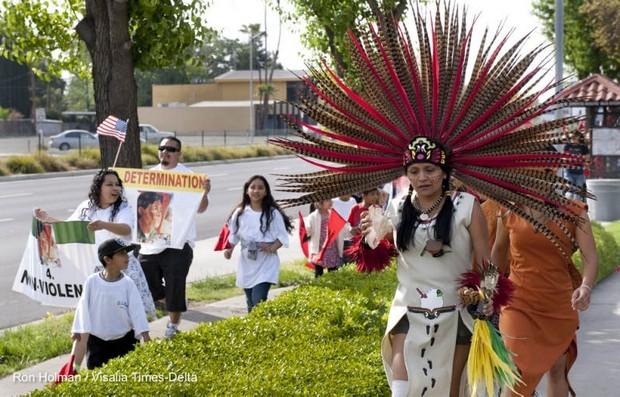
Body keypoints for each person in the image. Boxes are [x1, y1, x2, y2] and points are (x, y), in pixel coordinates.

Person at [360, 139, 493, 396]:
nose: (422, 177)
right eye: (414, 171)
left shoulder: (466, 205)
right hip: (408, 310)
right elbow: (377, 250)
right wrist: (369, 236)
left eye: (430, 170)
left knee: (449, 390)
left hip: (455, 313)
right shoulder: (398, 207)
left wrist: (487, 296)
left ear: (444, 172)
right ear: (406, 174)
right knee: (404, 386)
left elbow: (487, 263)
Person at [34, 169, 156, 367]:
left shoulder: (123, 207)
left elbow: (126, 229)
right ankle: (74, 369)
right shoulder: (86, 207)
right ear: (98, 187)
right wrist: (48, 219)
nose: (115, 188)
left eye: (117, 184)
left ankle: (134, 361)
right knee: (88, 318)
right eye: (109, 184)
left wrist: (103, 225)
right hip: (97, 271)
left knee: (128, 317)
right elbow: (71, 227)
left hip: (122, 267)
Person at [492, 201, 598, 396]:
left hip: (558, 304)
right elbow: (498, 252)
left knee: (557, 369)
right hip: (518, 302)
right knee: (516, 369)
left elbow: (589, 256)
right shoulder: (508, 209)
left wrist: (585, 286)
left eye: (548, 170)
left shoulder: (574, 212)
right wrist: (487, 289)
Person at [138, 136, 211, 338]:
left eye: (171, 149)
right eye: (162, 148)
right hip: (152, 243)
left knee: (175, 285)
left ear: (179, 153)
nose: (165, 152)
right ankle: (168, 298)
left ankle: (173, 326)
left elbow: (202, 208)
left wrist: (204, 193)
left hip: (179, 243)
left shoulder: (189, 177)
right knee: (146, 280)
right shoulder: (148, 175)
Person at [72, 238, 150, 370]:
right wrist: (77, 330)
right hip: (97, 343)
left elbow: (138, 312)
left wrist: (146, 337)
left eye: (126, 253)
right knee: (99, 381)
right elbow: (83, 310)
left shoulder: (128, 283)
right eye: (121, 254)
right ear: (107, 260)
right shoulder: (92, 282)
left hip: (125, 341)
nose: (127, 257)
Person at [223, 175, 292, 312]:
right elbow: (233, 235)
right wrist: (229, 250)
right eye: (253, 187)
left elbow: (283, 237)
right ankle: (255, 331)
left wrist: (272, 247)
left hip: (266, 263)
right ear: (247, 191)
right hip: (247, 263)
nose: (256, 191)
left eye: (260, 188)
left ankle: (261, 327)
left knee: (258, 301)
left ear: (266, 192)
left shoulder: (273, 213)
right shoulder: (240, 213)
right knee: (250, 303)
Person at [305, 199, 343, 277]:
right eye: (328, 200)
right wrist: (308, 229)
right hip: (319, 249)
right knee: (319, 272)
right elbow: (308, 227)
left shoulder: (332, 214)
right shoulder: (313, 217)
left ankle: (334, 286)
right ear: (320, 203)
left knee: (333, 272)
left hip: (331, 248)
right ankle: (319, 286)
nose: (331, 202)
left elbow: (341, 227)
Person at [331, 194, 357, 264]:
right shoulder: (333, 201)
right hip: (338, 236)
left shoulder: (353, 201)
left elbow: (355, 216)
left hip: (350, 235)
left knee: (350, 259)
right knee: (339, 259)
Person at [563, 134, 590, 200]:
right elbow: (565, 157)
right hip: (569, 171)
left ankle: (577, 207)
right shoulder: (567, 146)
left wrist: (584, 161)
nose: (574, 139)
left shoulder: (583, 147)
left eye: (575, 137)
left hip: (580, 173)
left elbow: (587, 158)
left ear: (578, 137)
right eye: (572, 137)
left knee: (578, 192)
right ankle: (568, 206)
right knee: (570, 191)